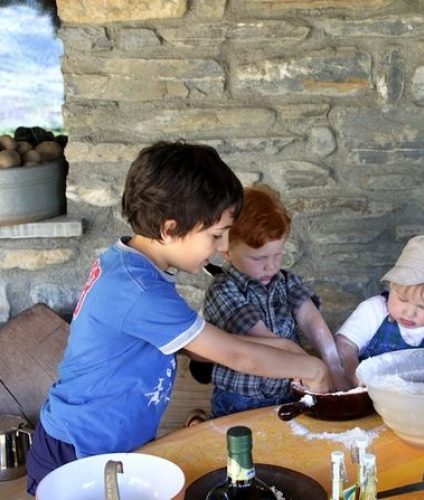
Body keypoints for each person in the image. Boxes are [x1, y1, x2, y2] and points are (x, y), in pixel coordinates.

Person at [25, 142, 331, 494]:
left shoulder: (137, 265)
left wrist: (279, 345)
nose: (222, 246)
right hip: (79, 450)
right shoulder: (139, 289)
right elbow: (235, 355)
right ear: (170, 229)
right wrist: (312, 369)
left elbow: (192, 342)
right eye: (216, 235)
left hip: (110, 442)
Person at [203, 184, 350, 418]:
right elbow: (263, 341)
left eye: (278, 254)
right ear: (227, 251)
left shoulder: (285, 281)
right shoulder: (224, 290)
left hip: (286, 393)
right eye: (258, 257)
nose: (271, 265)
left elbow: (311, 320)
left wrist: (334, 364)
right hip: (240, 402)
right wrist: (311, 369)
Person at [335, 234, 424, 386]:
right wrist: (353, 372)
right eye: (403, 299)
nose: (409, 313)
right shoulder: (373, 312)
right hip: (368, 398)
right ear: (392, 284)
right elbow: (344, 345)